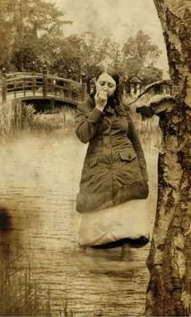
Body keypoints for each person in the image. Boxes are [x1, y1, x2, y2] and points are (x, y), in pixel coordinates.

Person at [75, 69, 149, 260]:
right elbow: (83, 136)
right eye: (102, 83)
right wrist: (98, 109)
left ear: (116, 88)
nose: (105, 88)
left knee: (124, 221)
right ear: (95, 83)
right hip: (97, 168)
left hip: (126, 167)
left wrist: (143, 175)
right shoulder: (84, 107)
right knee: (92, 219)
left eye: (110, 85)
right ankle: (87, 272)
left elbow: (136, 144)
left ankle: (125, 267)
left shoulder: (123, 109)